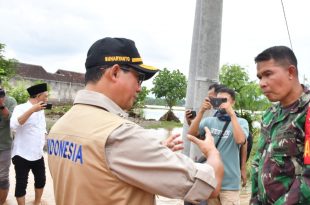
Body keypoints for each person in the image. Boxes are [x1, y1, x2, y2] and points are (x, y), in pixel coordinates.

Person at [46, 37, 224, 205]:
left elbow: (96, 172)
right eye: (138, 78)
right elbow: (209, 186)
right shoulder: (120, 133)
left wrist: (152, 153)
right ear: (115, 72)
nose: (139, 88)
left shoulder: (60, 126)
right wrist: (213, 154)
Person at [250, 46, 310, 205]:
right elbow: (257, 164)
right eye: (260, 77)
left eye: (268, 74)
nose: (262, 83)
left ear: (291, 72)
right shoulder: (271, 114)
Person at [188, 87, 249, 205]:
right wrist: (201, 111)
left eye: (224, 100)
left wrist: (232, 114)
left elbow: (240, 140)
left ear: (233, 102)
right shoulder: (209, 121)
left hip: (230, 184)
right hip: (211, 182)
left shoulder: (241, 122)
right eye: (218, 100)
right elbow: (191, 134)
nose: (221, 103)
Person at [10, 83, 49, 205]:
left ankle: (37, 202)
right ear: (38, 96)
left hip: (37, 153)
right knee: (21, 183)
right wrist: (32, 110)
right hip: (22, 154)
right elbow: (14, 125)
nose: (47, 99)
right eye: (45, 96)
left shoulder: (41, 110)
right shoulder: (20, 108)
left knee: (41, 180)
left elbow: (42, 129)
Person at [0, 80, 17, 205]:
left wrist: (1, 104)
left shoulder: (11, 101)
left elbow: (12, 121)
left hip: (4, 145)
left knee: (2, 177)